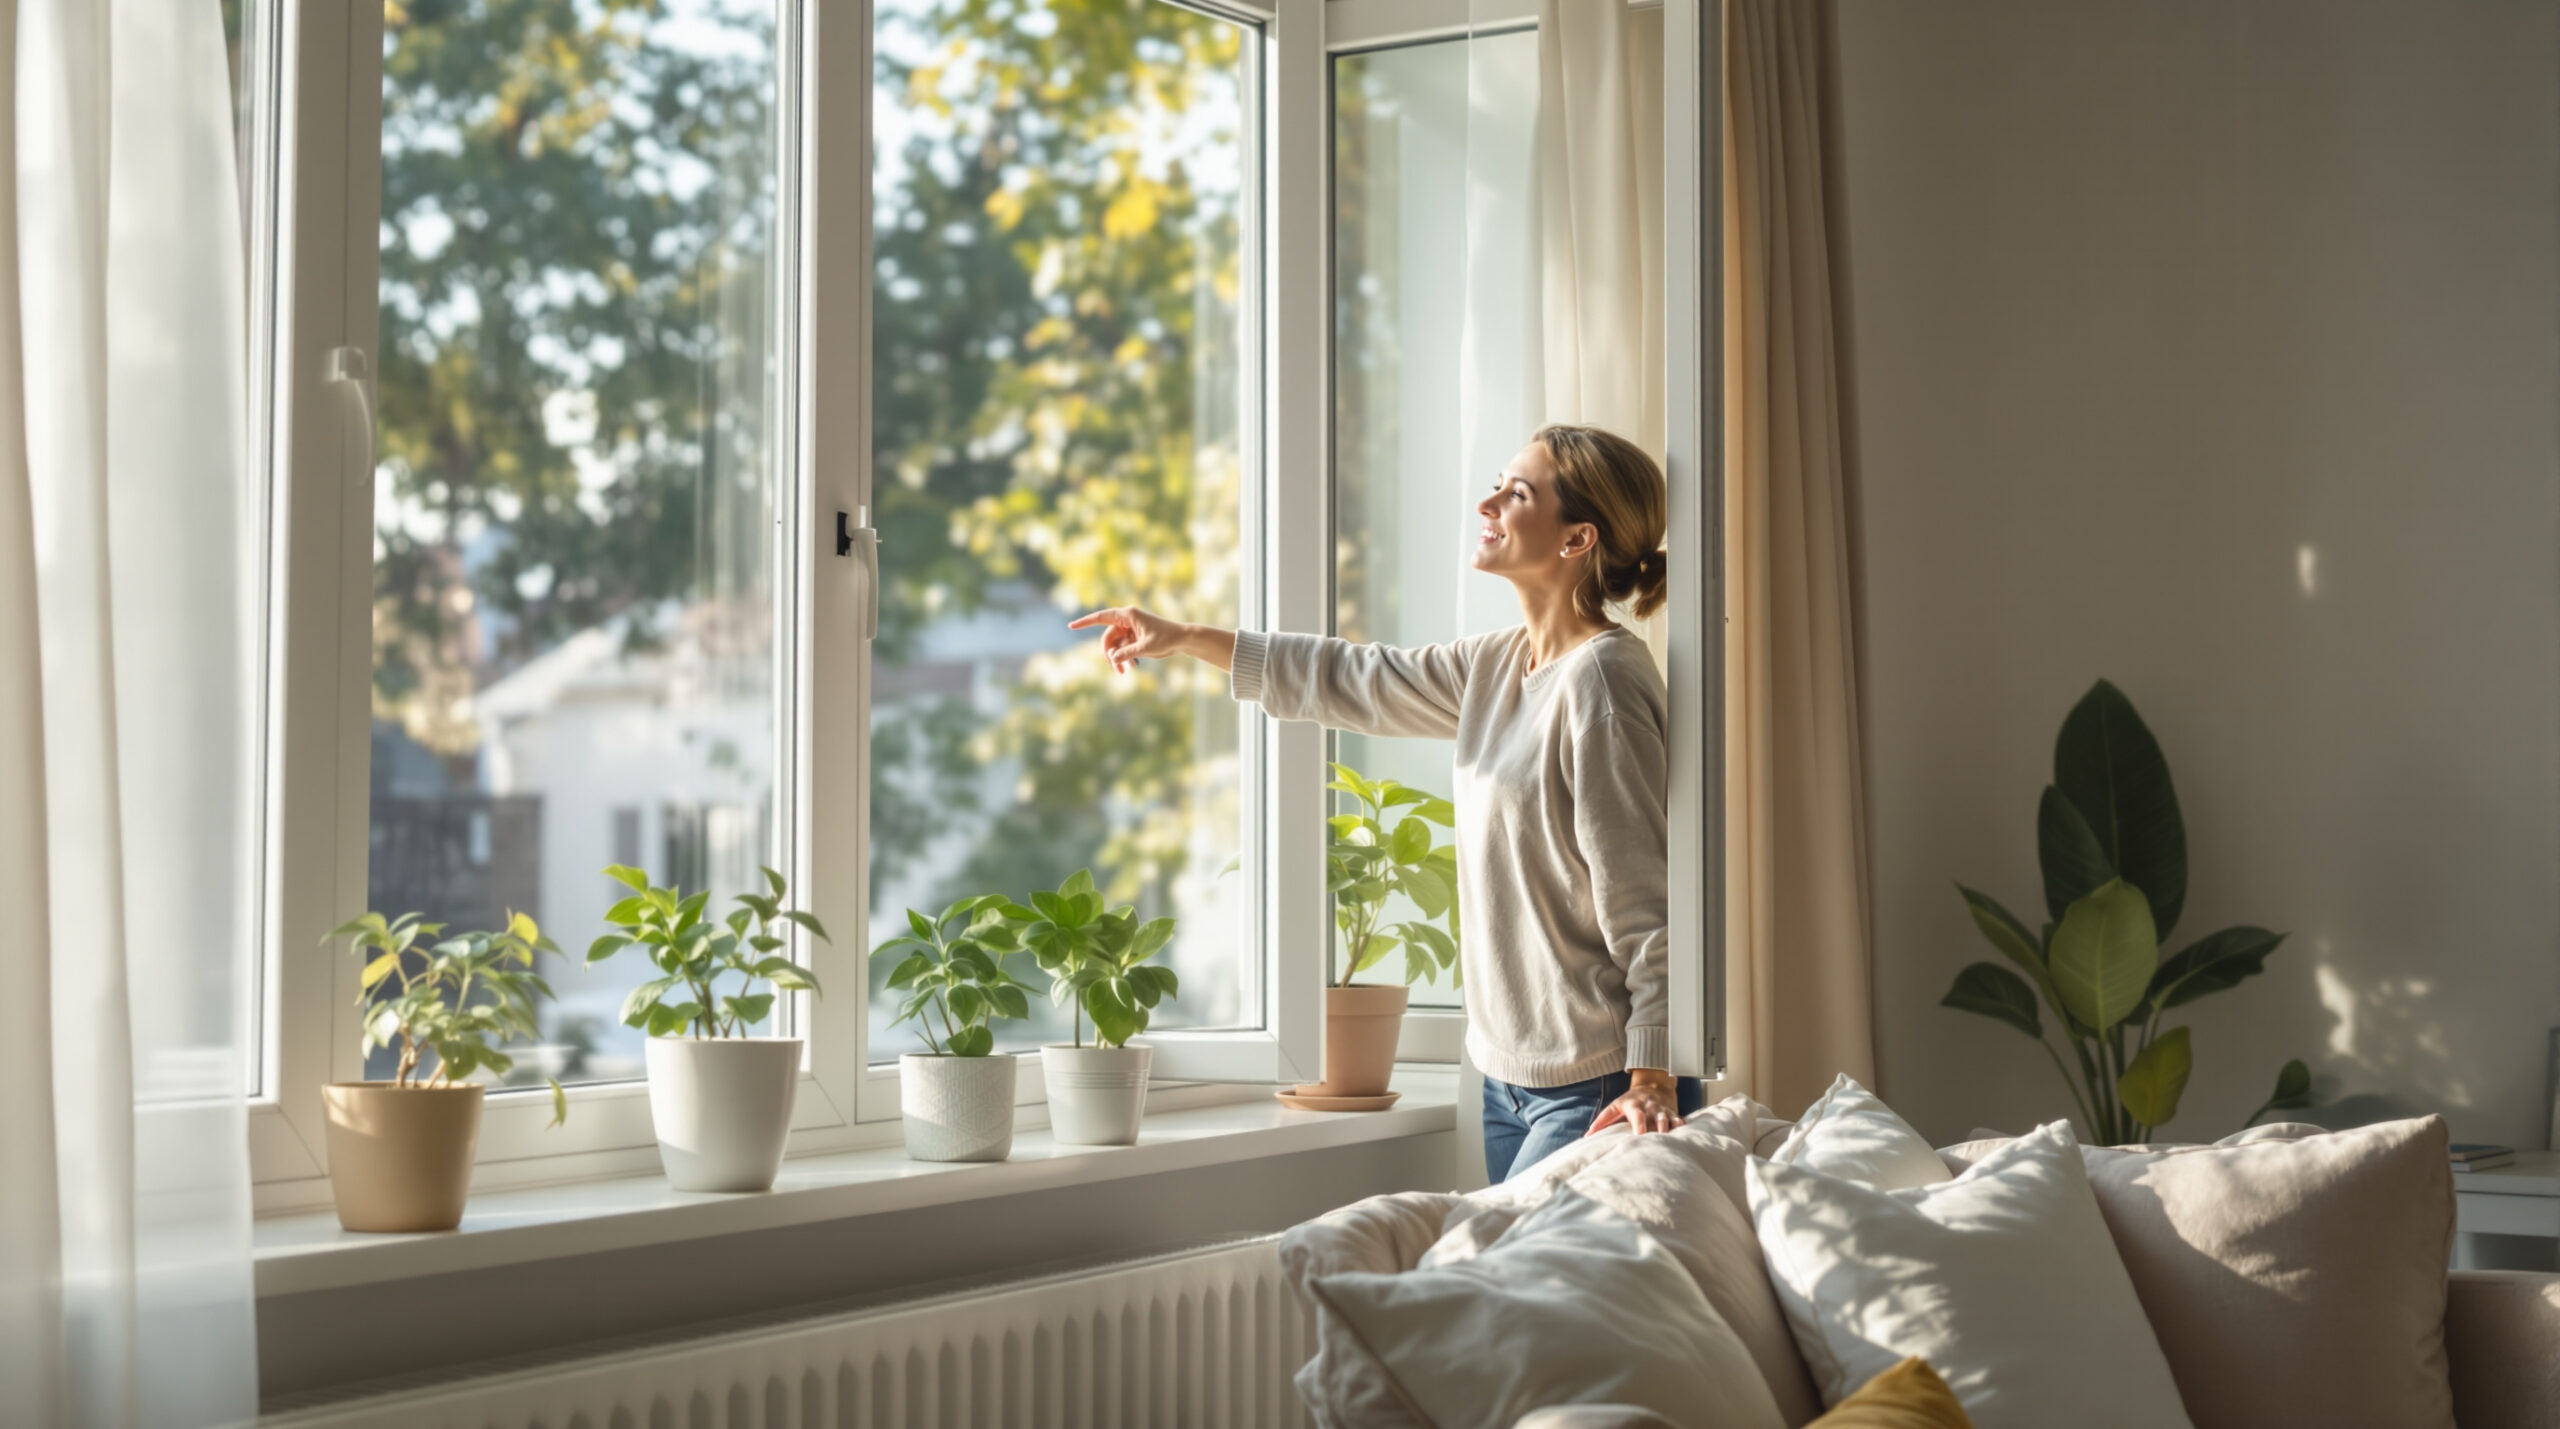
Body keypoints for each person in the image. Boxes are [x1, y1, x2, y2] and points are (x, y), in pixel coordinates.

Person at [1070, 423, 1699, 1181]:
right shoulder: (1496, 663)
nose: (1487, 501)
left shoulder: (1601, 683)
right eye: (1499, 481)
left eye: (1518, 492)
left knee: (1518, 1292)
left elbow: (1647, 903)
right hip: (1507, 1081)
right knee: (1523, 1295)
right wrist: (1186, 637)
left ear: (1576, 540)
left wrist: (1653, 1074)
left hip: (1594, 1081)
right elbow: (1351, 677)